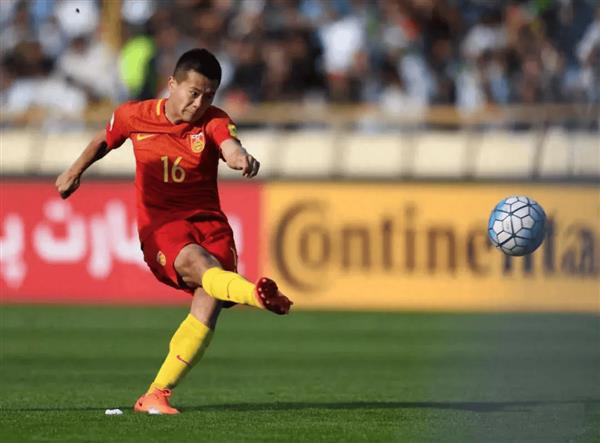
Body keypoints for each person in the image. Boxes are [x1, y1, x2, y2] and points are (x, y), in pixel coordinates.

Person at [55, 48, 293, 415]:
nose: (199, 104)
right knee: (201, 265)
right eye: (193, 93)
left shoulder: (214, 120)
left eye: (208, 96)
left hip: (210, 224)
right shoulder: (134, 115)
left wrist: (240, 157)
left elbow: (229, 144)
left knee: (209, 301)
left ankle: (156, 394)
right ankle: (257, 296)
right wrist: (74, 171)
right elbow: (105, 139)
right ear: (172, 84)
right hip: (161, 225)